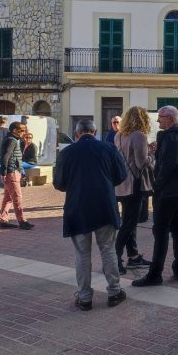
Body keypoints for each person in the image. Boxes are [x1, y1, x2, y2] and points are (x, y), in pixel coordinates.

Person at [53, 119, 128, 311]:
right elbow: (121, 175)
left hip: (78, 207)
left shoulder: (67, 152)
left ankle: (85, 297)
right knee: (108, 249)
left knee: (82, 254)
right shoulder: (108, 148)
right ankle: (114, 291)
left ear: (77, 134)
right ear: (94, 132)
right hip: (105, 206)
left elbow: (59, 183)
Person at [132, 105, 178, 287]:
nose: (157, 120)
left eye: (161, 117)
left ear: (170, 119)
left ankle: (155, 274)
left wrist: (157, 185)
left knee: (161, 232)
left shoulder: (171, 137)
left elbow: (168, 164)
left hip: (168, 192)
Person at [113, 107, 154, 275]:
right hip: (134, 184)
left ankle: (133, 255)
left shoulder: (118, 135)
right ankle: (115, 257)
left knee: (128, 220)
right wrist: (153, 154)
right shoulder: (139, 135)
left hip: (121, 184)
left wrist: (147, 149)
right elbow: (141, 163)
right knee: (129, 223)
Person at [0, 122, 34, 230]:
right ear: (14, 130)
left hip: (12, 172)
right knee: (17, 198)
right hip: (11, 172)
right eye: (21, 131)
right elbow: (5, 157)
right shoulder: (12, 140)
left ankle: (3, 221)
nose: (23, 133)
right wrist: (3, 172)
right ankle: (22, 221)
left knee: (8, 198)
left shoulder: (12, 139)